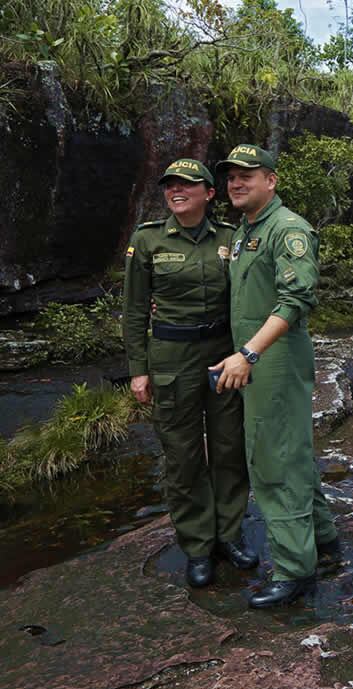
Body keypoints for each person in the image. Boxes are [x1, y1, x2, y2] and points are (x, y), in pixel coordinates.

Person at [210, 144, 339, 609]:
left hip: (273, 359)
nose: (236, 183)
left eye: (247, 175)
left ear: (271, 181)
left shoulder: (287, 228)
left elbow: (295, 300)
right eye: (231, 177)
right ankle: (323, 538)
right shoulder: (246, 231)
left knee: (272, 459)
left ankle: (294, 571)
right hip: (254, 358)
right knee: (290, 451)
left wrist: (249, 353)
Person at [122, 158, 259, 588]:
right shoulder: (147, 240)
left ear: (209, 193)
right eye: (170, 185)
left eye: (186, 184)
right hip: (171, 358)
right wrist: (138, 370)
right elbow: (134, 310)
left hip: (222, 355)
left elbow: (248, 295)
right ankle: (198, 546)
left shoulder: (231, 238)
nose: (175, 191)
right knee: (182, 456)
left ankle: (229, 535)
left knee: (228, 448)